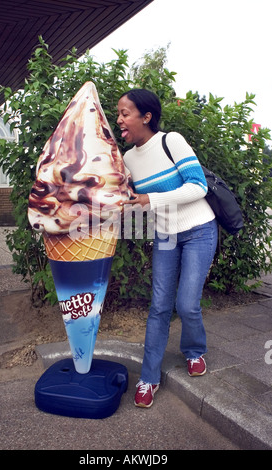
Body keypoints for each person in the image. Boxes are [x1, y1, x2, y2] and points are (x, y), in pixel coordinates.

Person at [117, 89, 218, 408]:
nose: (119, 119)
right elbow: (134, 204)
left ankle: (194, 351)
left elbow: (197, 186)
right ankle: (149, 378)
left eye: (125, 113)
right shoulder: (127, 159)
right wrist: (126, 205)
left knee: (187, 304)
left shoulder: (170, 141)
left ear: (146, 117)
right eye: (118, 113)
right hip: (166, 236)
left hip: (199, 228)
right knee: (159, 306)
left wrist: (151, 199)